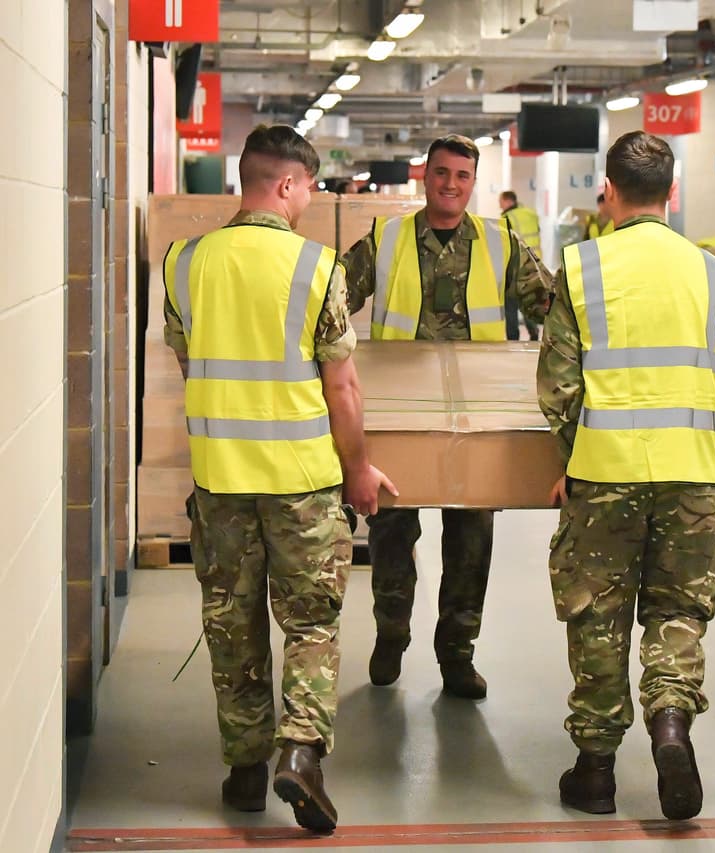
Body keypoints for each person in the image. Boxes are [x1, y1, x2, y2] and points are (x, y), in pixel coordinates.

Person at [162, 125, 396, 834]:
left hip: (221, 478)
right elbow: (343, 388)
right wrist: (358, 469)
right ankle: (300, 751)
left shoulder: (183, 262)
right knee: (311, 623)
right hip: (302, 484)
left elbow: (187, 359)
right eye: (310, 188)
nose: (309, 201)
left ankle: (242, 771)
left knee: (231, 624)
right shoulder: (317, 269)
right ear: (287, 183)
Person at [537, 130, 715, 820]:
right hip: (692, 472)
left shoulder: (582, 267)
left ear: (610, 191)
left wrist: (578, 451)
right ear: (673, 193)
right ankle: (671, 721)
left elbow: (558, 388)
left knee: (598, 613)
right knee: (677, 610)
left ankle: (595, 770)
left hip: (603, 472)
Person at [341, 134, 552, 698]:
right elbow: (334, 299)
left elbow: (551, 304)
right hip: (402, 409)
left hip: (475, 416)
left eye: (462, 175)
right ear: (425, 177)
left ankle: (457, 653)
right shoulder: (386, 238)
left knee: (471, 540)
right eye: (441, 173)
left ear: (473, 182)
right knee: (389, 531)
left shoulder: (500, 241)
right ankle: (391, 635)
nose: (450, 185)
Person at [500, 190, 544, 340]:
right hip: (534, 264)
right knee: (529, 299)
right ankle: (534, 333)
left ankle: (513, 336)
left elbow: (505, 244)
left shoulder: (506, 218)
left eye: (501, 202)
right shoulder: (531, 214)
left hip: (515, 266)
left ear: (506, 201)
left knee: (511, 303)